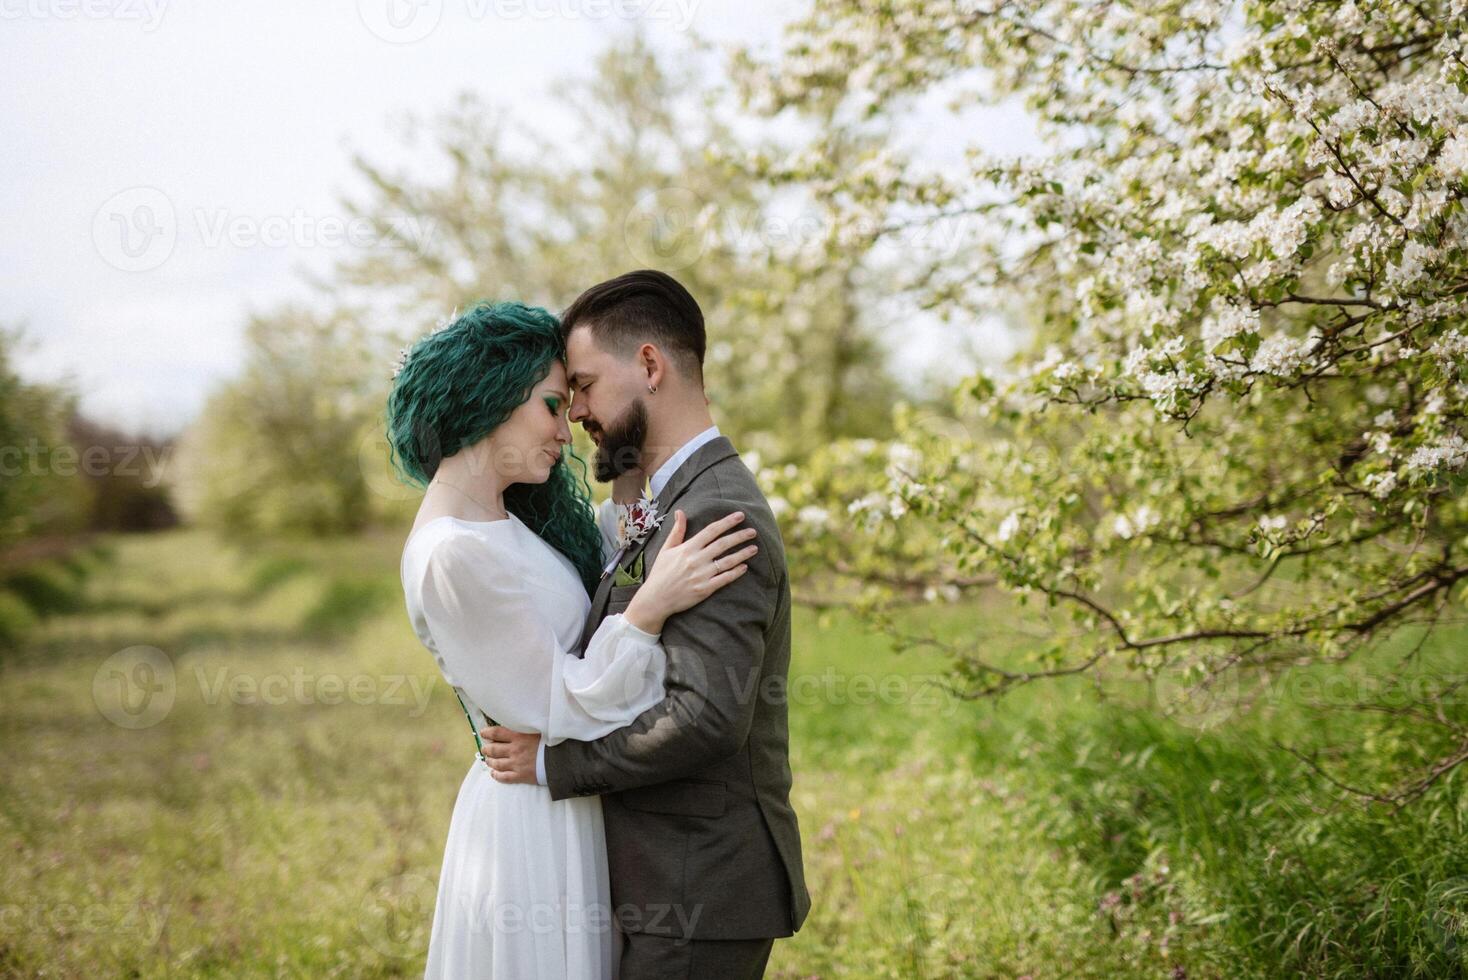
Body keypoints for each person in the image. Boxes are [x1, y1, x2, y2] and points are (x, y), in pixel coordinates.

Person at [392, 300, 761, 978]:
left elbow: (603, 561)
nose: (567, 430)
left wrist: (628, 450)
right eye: (551, 405)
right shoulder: (451, 553)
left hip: (570, 812)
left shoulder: (510, 523)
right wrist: (647, 612)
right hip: (529, 822)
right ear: (490, 398)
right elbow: (555, 704)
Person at [480, 271, 811, 979]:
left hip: (699, 882)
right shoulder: (668, 498)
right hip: (665, 875)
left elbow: (705, 716)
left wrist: (550, 762)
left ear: (651, 366)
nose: (578, 414)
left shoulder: (718, 511)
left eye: (587, 386)